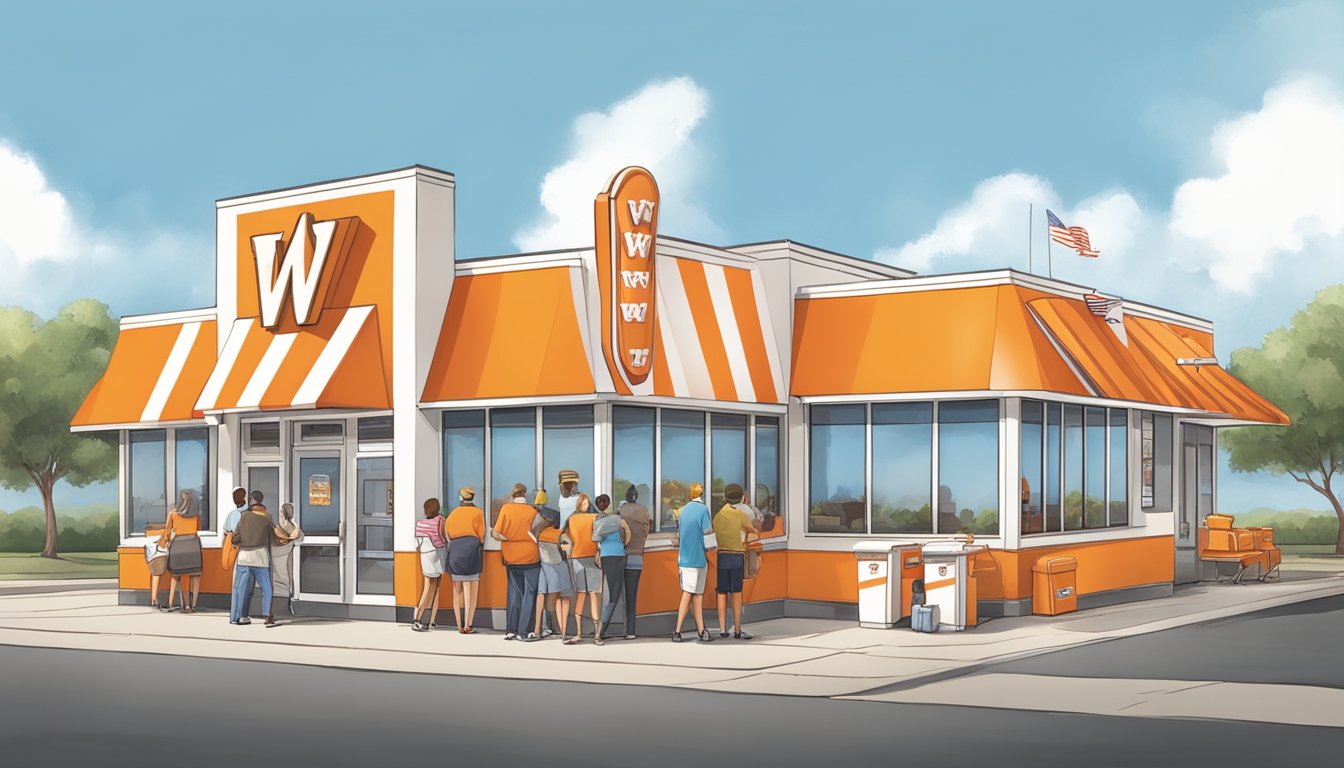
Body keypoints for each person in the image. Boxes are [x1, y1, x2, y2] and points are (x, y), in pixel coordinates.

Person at [231, 494, 292, 627]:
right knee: (267, 588)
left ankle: (240, 617)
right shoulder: (267, 518)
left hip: (243, 557)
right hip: (260, 556)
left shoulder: (243, 516)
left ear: (252, 502)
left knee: (241, 588)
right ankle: (267, 616)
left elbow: (235, 538)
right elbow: (275, 538)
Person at [491, 483, 541, 641]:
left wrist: (506, 538)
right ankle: (523, 631)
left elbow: (496, 533)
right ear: (525, 495)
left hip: (511, 556)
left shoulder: (506, 509)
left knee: (514, 593)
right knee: (529, 593)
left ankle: (511, 630)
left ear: (513, 495)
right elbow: (538, 534)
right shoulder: (533, 511)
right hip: (531, 556)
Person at [714, 483, 759, 639]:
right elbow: (755, 532)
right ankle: (738, 629)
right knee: (736, 592)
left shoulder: (718, 515)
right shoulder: (741, 515)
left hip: (722, 556)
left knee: (721, 592)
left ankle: (721, 629)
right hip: (737, 556)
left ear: (725, 498)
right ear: (742, 498)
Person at [672, 482, 715, 642]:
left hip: (683, 559)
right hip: (698, 559)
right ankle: (679, 631)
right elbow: (708, 533)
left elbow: (680, 534)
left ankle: (700, 630)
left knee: (693, 593)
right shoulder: (703, 510)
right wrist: (713, 550)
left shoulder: (683, 511)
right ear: (702, 495)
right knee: (693, 594)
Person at [530, 490, 575, 644]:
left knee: (541, 595)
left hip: (543, 564)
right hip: (556, 565)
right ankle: (558, 630)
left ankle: (538, 629)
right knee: (560, 597)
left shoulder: (536, 532)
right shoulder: (557, 533)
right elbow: (568, 546)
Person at [592, 494, 631, 646]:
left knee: (607, 594)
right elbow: (628, 533)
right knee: (615, 596)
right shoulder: (618, 519)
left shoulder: (597, 520)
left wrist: (600, 552)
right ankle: (600, 632)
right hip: (618, 555)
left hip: (605, 556)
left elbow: (597, 540)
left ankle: (600, 628)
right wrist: (623, 545)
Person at [445, 487, 484, 633]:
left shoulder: (454, 513)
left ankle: (458, 624)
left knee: (456, 590)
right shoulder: (478, 512)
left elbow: (447, 533)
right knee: (472, 589)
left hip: (455, 549)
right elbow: (482, 534)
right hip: (472, 549)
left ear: (461, 498)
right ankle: (468, 624)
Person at [562, 493, 600, 641]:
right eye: (585, 504)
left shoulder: (571, 519)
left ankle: (579, 633)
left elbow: (564, 537)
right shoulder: (593, 518)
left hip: (576, 557)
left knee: (582, 594)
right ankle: (596, 635)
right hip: (590, 556)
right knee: (592, 594)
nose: (585, 506)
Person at [617, 485, 652, 639]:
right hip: (637, 557)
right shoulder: (644, 510)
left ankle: (608, 628)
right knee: (632, 596)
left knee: (618, 596)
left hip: (621, 556)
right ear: (637, 496)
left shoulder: (621, 511)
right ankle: (631, 631)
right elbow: (646, 532)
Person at [162, 489, 204, 613]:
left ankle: (173, 603)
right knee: (195, 575)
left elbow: (167, 532)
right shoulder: (196, 516)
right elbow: (198, 528)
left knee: (176, 575)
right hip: (193, 545)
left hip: (178, 546)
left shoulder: (173, 514)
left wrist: (165, 542)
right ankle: (193, 605)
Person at [413, 498, 447, 631]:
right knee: (437, 587)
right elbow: (446, 536)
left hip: (425, 555)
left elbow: (416, 544)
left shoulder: (420, 523)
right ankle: (430, 621)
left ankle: (419, 618)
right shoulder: (441, 520)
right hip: (439, 553)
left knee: (427, 587)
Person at [271, 502, 302, 616]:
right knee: (288, 578)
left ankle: (278, 607)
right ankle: (288, 606)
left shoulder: (280, 527)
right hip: (287, 556)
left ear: (282, 513)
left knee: (277, 579)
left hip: (277, 557)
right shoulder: (293, 527)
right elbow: (300, 537)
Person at [223, 487, 247, 622]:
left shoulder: (232, 514)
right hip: (251, 549)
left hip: (237, 550)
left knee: (237, 584)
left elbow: (227, 531)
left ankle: (235, 616)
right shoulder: (250, 512)